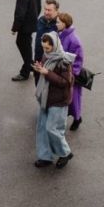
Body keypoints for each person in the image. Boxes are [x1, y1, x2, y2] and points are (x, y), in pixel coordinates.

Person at [32, 32, 74, 168]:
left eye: (48, 48)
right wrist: (40, 69)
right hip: (46, 98)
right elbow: (46, 71)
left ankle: (65, 153)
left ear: (54, 45)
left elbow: (65, 82)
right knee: (42, 128)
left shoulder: (63, 61)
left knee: (52, 129)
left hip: (58, 101)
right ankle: (45, 156)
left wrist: (47, 73)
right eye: (44, 48)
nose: (45, 51)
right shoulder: (47, 56)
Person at [56, 12, 85, 131]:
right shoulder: (61, 35)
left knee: (73, 100)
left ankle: (77, 118)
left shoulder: (73, 40)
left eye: (58, 22)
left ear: (65, 24)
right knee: (66, 98)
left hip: (70, 76)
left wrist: (72, 74)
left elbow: (79, 59)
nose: (56, 24)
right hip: (62, 73)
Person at [11, 0, 41, 82]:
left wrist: (15, 28)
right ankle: (30, 64)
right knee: (26, 44)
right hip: (32, 23)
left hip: (24, 25)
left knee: (22, 44)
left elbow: (20, 13)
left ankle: (26, 70)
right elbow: (38, 7)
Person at [33, 0, 60, 83]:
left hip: (51, 63)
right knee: (37, 84)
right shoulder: (41, 20)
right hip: (38, 59)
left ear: (56, 11)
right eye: (45, 9)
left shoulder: (59, 24)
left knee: (48, 88)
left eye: (49, 10)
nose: (46, 12)